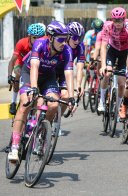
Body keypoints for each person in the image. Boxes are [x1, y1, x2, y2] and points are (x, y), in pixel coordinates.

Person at [7, 21, 76, 161]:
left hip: (48, 77)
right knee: (26, 102)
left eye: (66, 38)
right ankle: (14, 146)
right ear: (50, 38)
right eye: (61, 39)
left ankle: (42, 134)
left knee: (54, 104)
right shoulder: (40, 44)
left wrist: (72, 97)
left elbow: (68, 74)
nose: (64, 42)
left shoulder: (67, 50)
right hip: (29, 73)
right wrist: (33, 88)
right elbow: (34, 67)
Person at [7, 23, 45, 115]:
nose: (37, 40)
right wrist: (9, 75)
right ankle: (13, 102)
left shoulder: (43, 44)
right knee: (18, 74)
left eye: (39, 37)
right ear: (29, 37)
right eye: (34, 37)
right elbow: (12, 61)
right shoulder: (22, 43)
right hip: (21, 63)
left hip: (34, 64)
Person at [98, 7, 128, 113]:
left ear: (124, 19)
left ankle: (118, 107)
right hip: (112, 50)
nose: (117, 23)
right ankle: (102, 101)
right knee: (107, 74)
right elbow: (103, 46)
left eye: (120, 20)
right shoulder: (108, 27)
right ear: (112, 20)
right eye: (115, 20)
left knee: (121, 83)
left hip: (125, 53)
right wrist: (103, 65)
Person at [56, 22, 86, 112]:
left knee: (66, 96)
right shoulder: (61, 45)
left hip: (65, 73)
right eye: (75, 38)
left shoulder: (80, 46)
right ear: (68, 36)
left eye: (79, 38)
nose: (77, 41)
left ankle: (57, 123)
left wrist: (79, 85)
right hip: (52, 70)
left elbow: (80, 68)